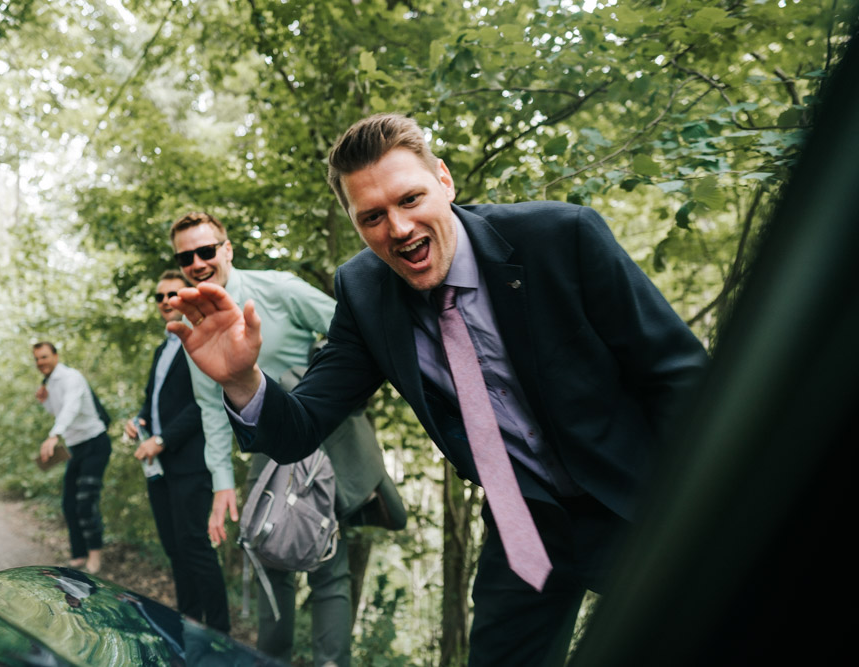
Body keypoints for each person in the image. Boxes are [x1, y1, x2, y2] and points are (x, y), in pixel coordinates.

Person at [167, 113, 710, 666]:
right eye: (372, 216)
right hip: (524, 522)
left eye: (410, 199)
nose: (397, 229)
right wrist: (241, 380)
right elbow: (300, 427)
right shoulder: (363, 290)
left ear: (445, 181)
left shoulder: (560, 236)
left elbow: (678, 377)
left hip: (637, 500)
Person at [170, 211, 352, 666]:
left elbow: (353, 332)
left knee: (330, 564)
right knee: (271, 561)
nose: (197, 262)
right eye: (186, 256)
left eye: (206, 250)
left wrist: (319, 374)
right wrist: (222, 483)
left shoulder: (279, 289)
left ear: (226, 249)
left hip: (321, 447)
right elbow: (212, 410)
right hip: (265, 456)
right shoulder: (193, 326)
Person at [122, 269, 231, 632]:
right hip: (158, 468)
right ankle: (189, 628)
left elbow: (206, 404)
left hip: (189, 463)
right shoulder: (162, 348)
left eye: (173, 293)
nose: (165, 301)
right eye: (159, 296)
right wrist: (138, 423)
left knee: (197, 550)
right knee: (175, 551)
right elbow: (151, 402)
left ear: (187, 298)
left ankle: (218, 636)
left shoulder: (200, 341)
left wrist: (163, 438)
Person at [33, 342, 111, 574]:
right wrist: (45, 401)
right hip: (75, 447)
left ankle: (95, 555)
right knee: (69, 502)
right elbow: (57, 411)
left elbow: (71, 408)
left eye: (45, 357)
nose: (41, 363)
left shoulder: (71, 377)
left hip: (95, 442)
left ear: (56, 356)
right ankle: (79, 555)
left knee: (86, 500)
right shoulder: (49, 384)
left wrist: (53, 435)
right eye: (37, 359)